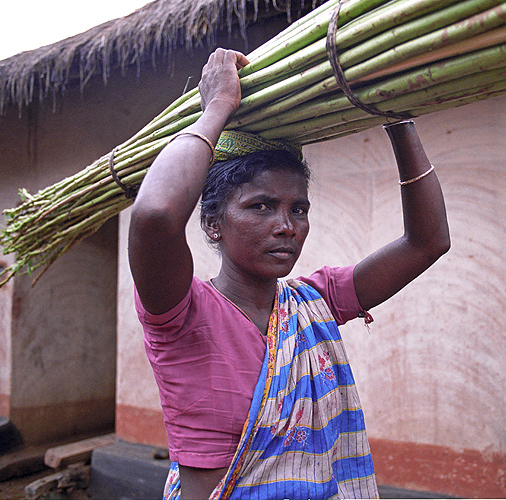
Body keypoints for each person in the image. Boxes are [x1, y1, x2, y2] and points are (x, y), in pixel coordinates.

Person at [128, 48, 450, 500]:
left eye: (298, 209)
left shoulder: (313, 302)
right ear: (212, 223)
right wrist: (217, 106)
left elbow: (428, 242)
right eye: (261, 206)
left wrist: (396, 118)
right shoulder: (181, 313)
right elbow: (156, 214)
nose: (287, 226)